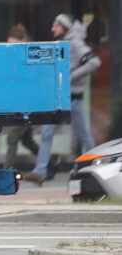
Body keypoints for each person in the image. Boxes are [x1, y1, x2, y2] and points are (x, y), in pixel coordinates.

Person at [23, 14, 101, 185]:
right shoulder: (68, 41)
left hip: (72, 97)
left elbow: (94, 62)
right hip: (65, 97)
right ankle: (41, 170)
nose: (53, 28)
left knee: (82, 135)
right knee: (50, 133)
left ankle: (94, 167)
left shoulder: (75, 43)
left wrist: (71, 76)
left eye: (56, 25)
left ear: (65, 27)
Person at [2, 23, 40, 169]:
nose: (12, 48)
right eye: (9, 44)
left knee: (12, 138)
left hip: (27, 105)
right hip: (20, 104)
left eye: (15, 44)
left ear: (23, 40)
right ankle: (50, 163)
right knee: (27, 141)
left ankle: (6, 170)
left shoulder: (29, 58)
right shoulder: (15, 58)